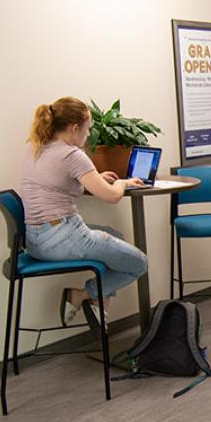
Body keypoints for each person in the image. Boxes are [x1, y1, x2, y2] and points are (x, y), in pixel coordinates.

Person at [19, 97, 148, 332]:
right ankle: (80, 295)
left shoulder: (35, 146)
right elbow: (111, 196)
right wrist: (122, 183)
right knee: (138, 263)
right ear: (74, 128)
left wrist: (97, 178)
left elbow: (57, 181)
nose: (88, 136)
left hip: (34, 241)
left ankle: (100, 303)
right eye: (88, 129)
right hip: (62, 237)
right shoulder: (71, 155)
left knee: (113, 234)